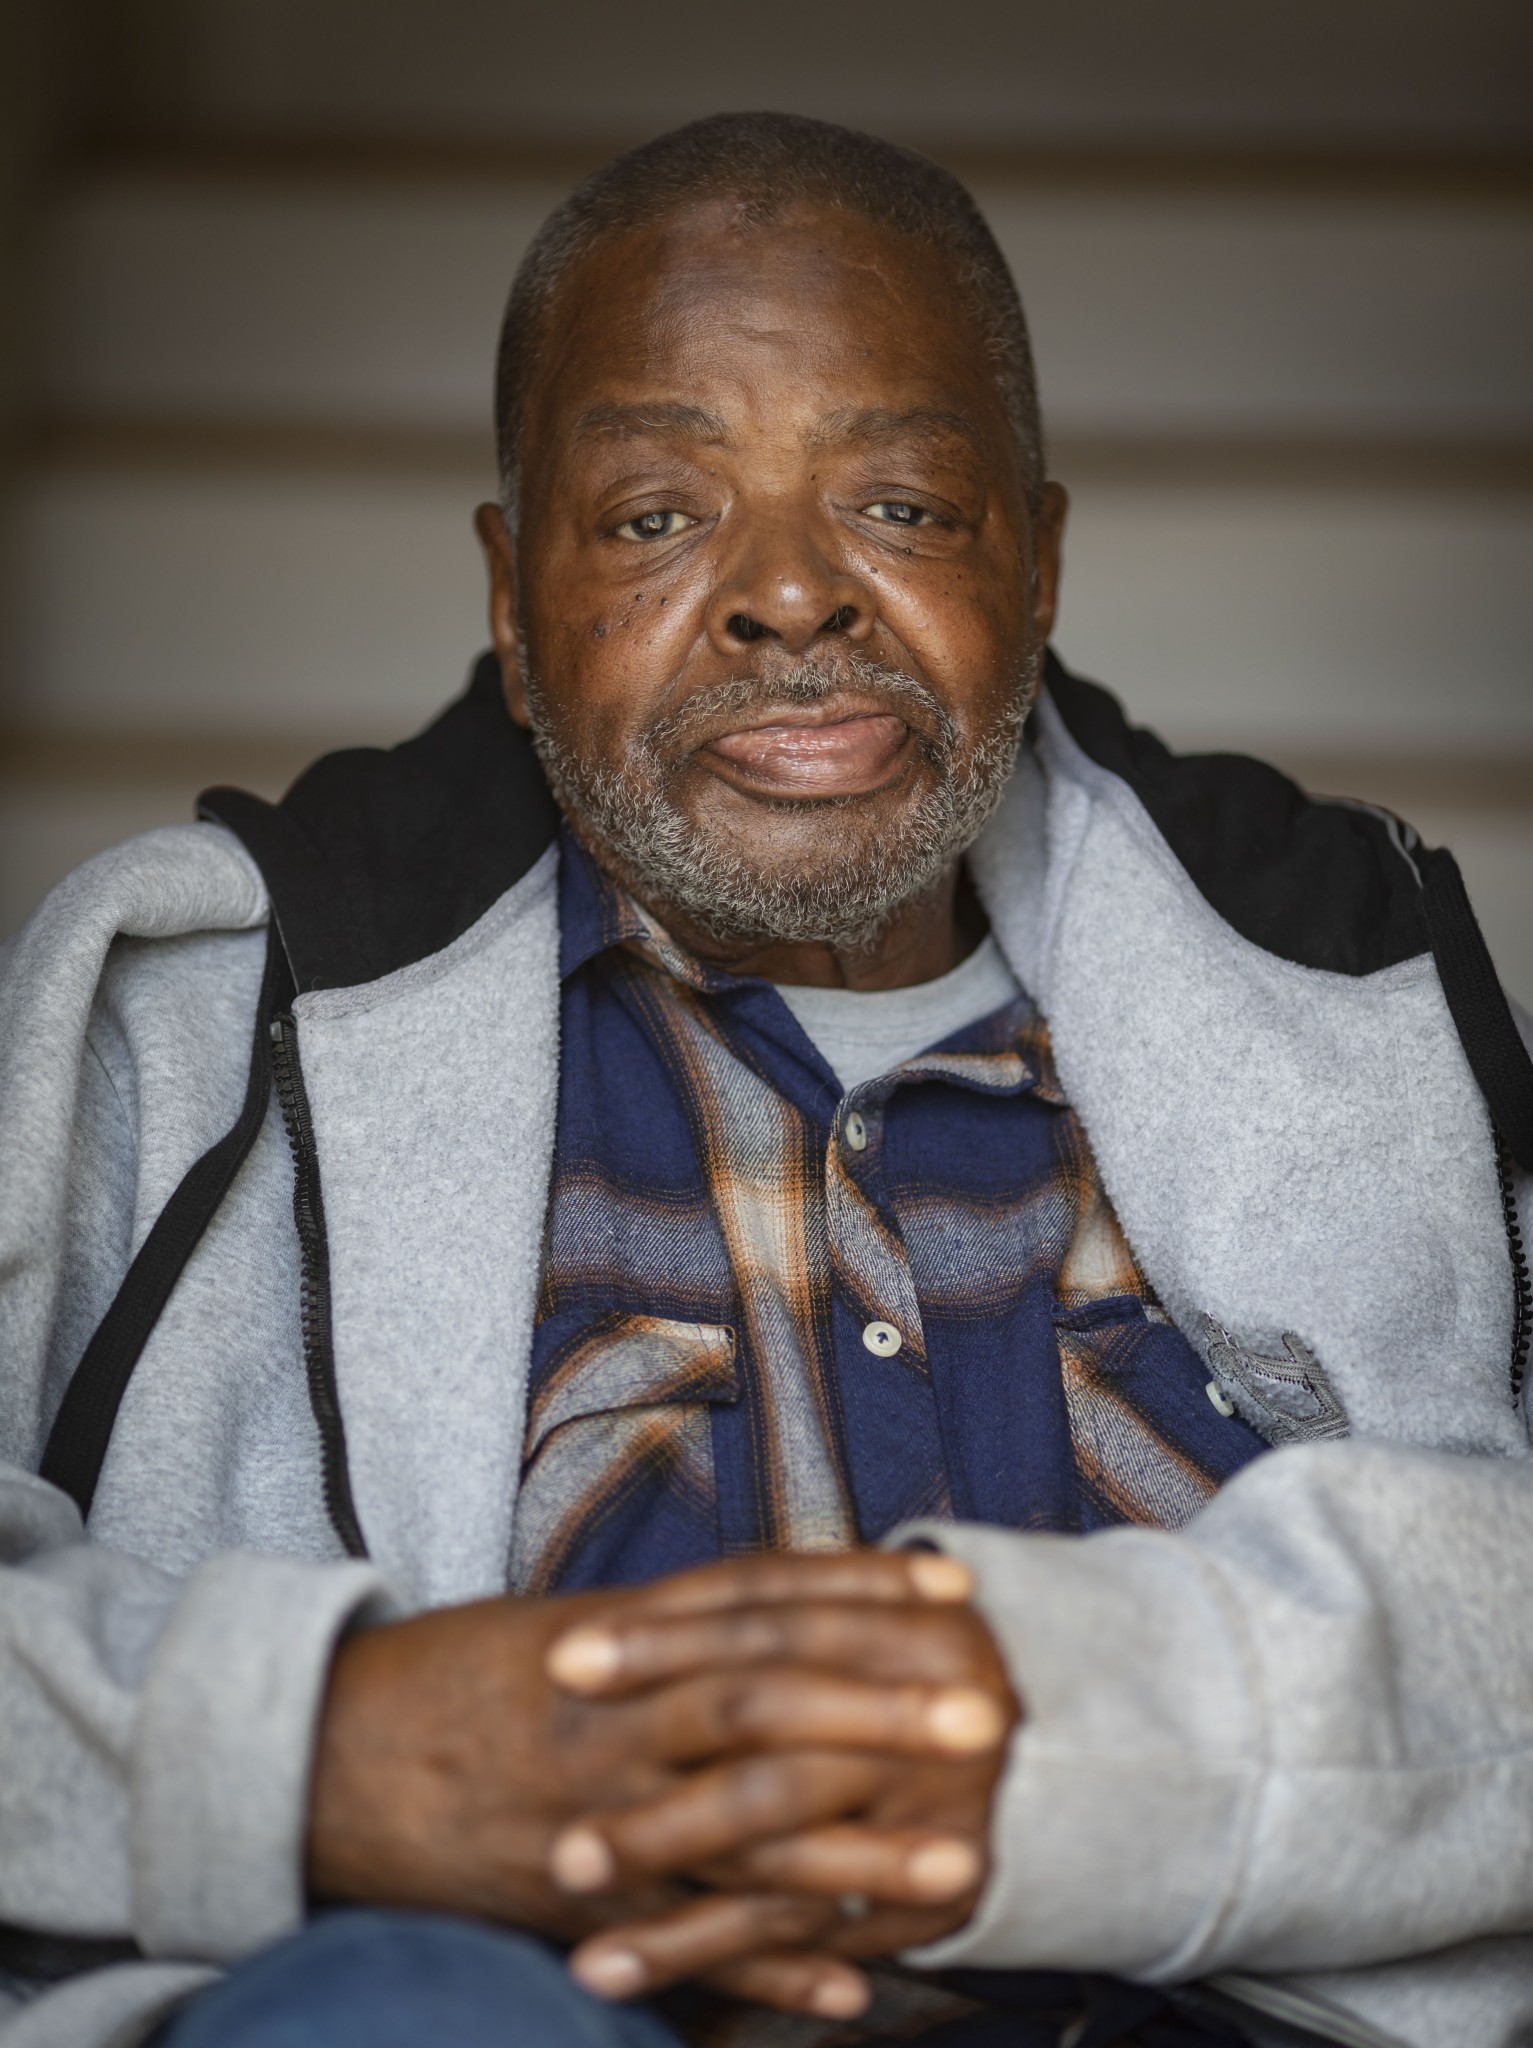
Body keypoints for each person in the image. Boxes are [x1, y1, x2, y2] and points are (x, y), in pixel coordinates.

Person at [2, 111, 1531, 2048]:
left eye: (903, 506)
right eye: (656, 514)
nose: (791, 595)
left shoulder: (1347, 985)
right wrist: (306, 1749)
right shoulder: (191, 1010)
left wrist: (1108, 1736)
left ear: (1038, 560)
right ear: (510, 594)